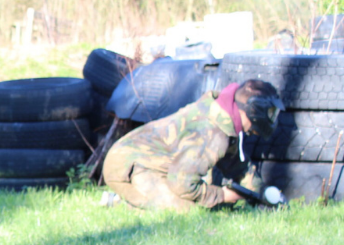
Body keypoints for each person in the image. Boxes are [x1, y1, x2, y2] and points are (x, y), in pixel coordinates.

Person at [102, 79, 284, 211]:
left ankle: (133, 198)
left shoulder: (224, 117)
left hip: (149, 161)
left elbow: (237, 167)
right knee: (189, 209)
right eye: (269, 112)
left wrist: (262, 194)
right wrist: (222, 196)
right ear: (253, 110)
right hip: (129, 164)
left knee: (203, 203)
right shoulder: (213, 132)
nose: (271, 118)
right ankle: (122, 201)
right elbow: (182, 183)